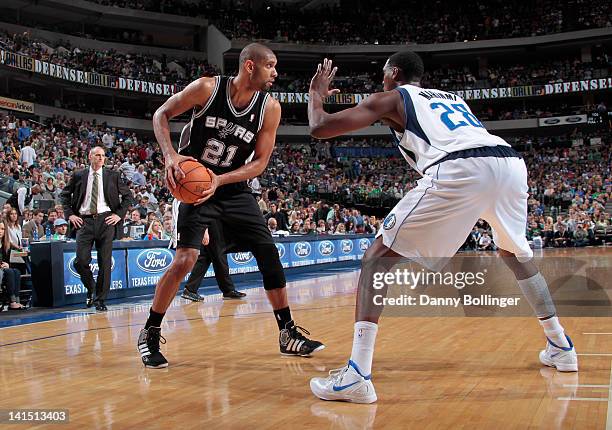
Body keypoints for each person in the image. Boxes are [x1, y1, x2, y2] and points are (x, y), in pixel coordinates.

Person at [307, 53, 577, 404]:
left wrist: (316, 94)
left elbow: (319, 128)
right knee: (514, 253)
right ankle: (560, 345)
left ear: (395, 74)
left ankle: (357, 375)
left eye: (384, 73)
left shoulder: (390, 97)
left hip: (463, 166)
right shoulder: (452, 98)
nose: (382, 79)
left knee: (376, 258)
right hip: (509, 162)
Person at [137, 43, 324, 369]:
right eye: (271, 66)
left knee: (268, 250)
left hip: (233, 188)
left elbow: (261, 162)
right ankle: (150, 332)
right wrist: (170, 155)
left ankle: (287, 333)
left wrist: (220, 181)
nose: (276, 74)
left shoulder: (270, 108)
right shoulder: (207, 89)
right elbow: (161, 115)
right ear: (250, 66)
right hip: (193, 190)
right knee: (185, 259)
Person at [60, 146, 133, 311]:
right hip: (84, 222)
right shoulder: (79, 175)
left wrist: (119, 215)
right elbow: (64, 195)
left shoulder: (113, 175)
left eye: (103, 156)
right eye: (97, 155)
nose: (101, 158)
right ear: (90, 157)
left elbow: (128, 196)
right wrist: (70, 215)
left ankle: (100, 300)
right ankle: (92, 289)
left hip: (106, 221)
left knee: (105, 263)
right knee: (80, 261)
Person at [181, 221, 246, 301]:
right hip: (211, 223)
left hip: (211, 223)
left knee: (205, 258)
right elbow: (205, 210)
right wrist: (205, 230)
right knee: (220, 255)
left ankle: (190, 289)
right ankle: (228, 290)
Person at [0, 219, 26, 310]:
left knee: (16, 271)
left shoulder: (6, 244)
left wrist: (7, 265)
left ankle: (17, 300)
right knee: (10, 272)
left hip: (4, 268)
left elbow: (7, 261)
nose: (1, 231)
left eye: (3, 229)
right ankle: (12, 301)